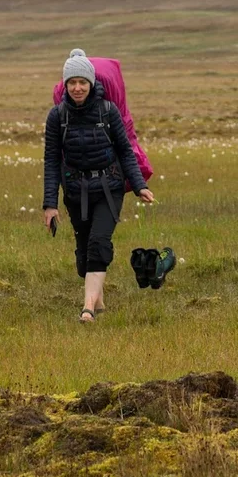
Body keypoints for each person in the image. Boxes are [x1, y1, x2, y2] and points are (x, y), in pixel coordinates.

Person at [43, 49, 154, 323]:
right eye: (72, 82)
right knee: (83, 255)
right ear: (65, 85)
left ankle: (88, 308)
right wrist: (50, 204)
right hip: (76, 191)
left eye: (82, 82)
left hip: (109, 187)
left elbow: (126, 151)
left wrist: (139, 185)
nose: (78, 88)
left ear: (91, 83)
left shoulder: (108, 111)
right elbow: (51, 161)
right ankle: (98, 298)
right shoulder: (57, 117)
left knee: (98, 243)